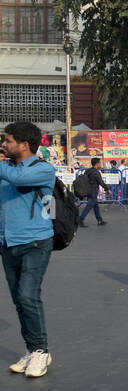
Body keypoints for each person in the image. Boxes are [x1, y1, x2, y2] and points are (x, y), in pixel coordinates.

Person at [1, 121, 57, 377]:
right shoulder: (7, 169)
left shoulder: (42, 168)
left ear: (24, 145)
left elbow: (18, 178)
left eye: (7, 140)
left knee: (27, 296)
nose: (3, 144)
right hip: (8, 243)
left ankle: (41, 352)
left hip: (36, 242)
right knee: (19, 300)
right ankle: (32, 349)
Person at [77, 157, 108, 227]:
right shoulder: (95, 172)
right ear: (97, 164)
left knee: (96, 206)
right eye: (100, 162)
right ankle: (80, 219)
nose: (100, 164)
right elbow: (100, 182)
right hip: (93, 191)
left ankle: (100, 220)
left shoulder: (88, 171)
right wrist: (107, 189)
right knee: (89, 206)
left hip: (88, 190)